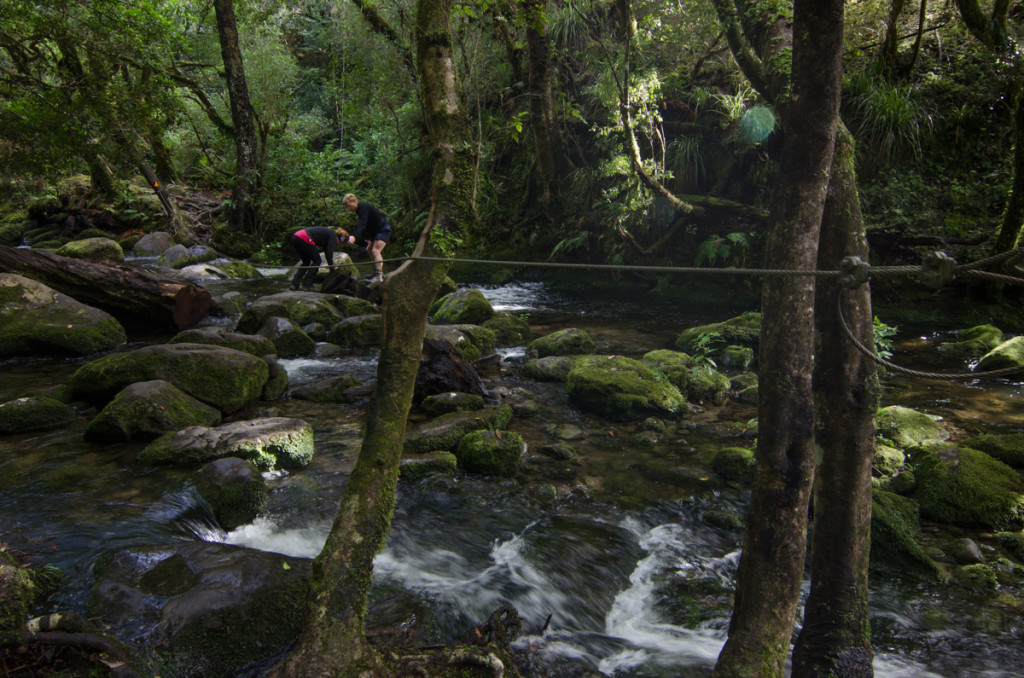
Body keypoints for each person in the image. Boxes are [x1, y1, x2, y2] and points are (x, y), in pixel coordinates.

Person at [342, 193, 391, 283]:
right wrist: (367, 237)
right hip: (375, 231)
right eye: (347, 207)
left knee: (375, 251)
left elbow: (363, 224)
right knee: (369, 249)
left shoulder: (363, 208)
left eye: (349, 206)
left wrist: (354, 236)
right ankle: (376, 271)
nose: (349, 209)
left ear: (355, 201)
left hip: (383, 229)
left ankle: (379, 276)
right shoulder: (360, 210)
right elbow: (369, 224)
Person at [288, 226, 346, 290]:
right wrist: (331, 267)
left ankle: (294, 284)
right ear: (340, 239)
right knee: (317, 261)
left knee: (306, 262)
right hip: (305, 237)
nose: (338, 244)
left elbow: (326, 252)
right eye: (341, 243)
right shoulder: (333, 236)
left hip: (296, 236)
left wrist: (331, 267)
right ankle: (307, 284)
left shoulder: (329, 234)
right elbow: (329, 252)